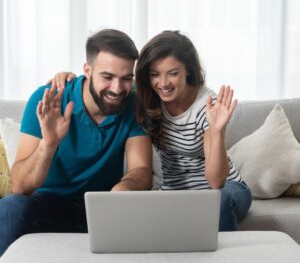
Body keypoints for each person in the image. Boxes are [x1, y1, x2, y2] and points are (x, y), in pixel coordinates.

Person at [50, 30, 252, 231]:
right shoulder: (147, 97)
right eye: (155, 74)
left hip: (224, 191)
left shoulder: (206, 106)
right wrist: (69, 77)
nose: (163, 83)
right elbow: (107, 82)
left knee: (219, 202)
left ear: (188, 70)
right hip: (173, 193)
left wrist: (217, 131)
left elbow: (216, 182)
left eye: (173, 73)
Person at [0, 29, 152, 256]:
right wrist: (49, 144)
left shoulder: (134, 104)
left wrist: (125, 188)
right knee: (11, 208)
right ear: (87, 70)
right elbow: (20, 186)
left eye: (126, 79)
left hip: (104, 209)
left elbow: (141, 168)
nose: (117, 88)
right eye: (108, 77)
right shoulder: (47, 99)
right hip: (50, 206)